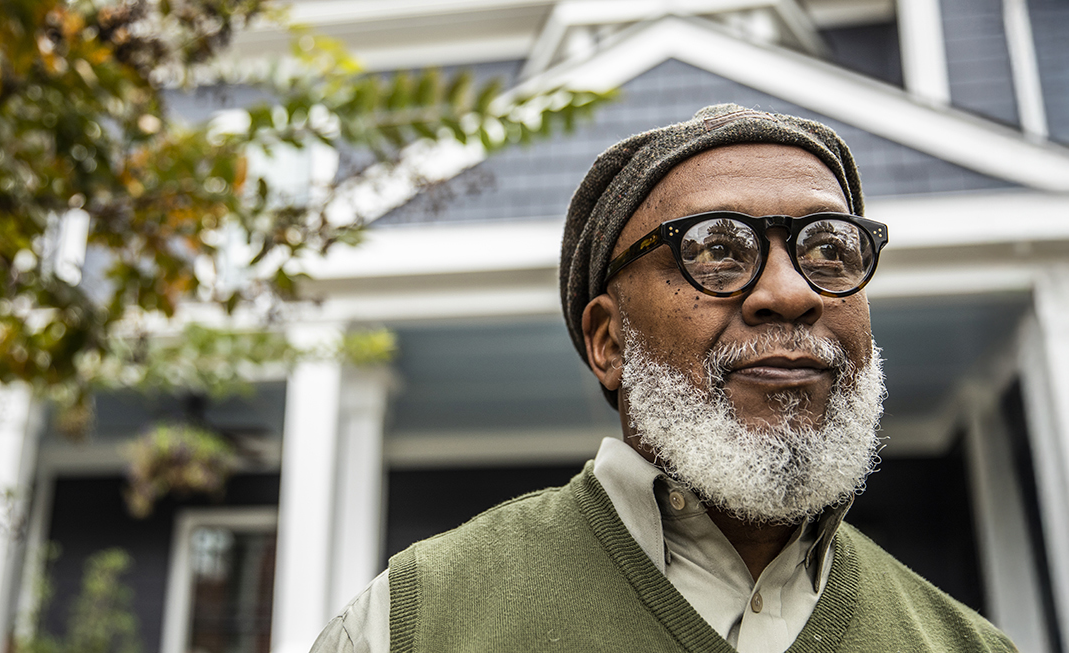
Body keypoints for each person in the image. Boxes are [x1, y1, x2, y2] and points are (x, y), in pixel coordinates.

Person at [310, 104, 1016, 653]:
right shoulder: (415, 620)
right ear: (609, 341)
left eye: (831, 249)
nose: (791, 292)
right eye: (715, 248)